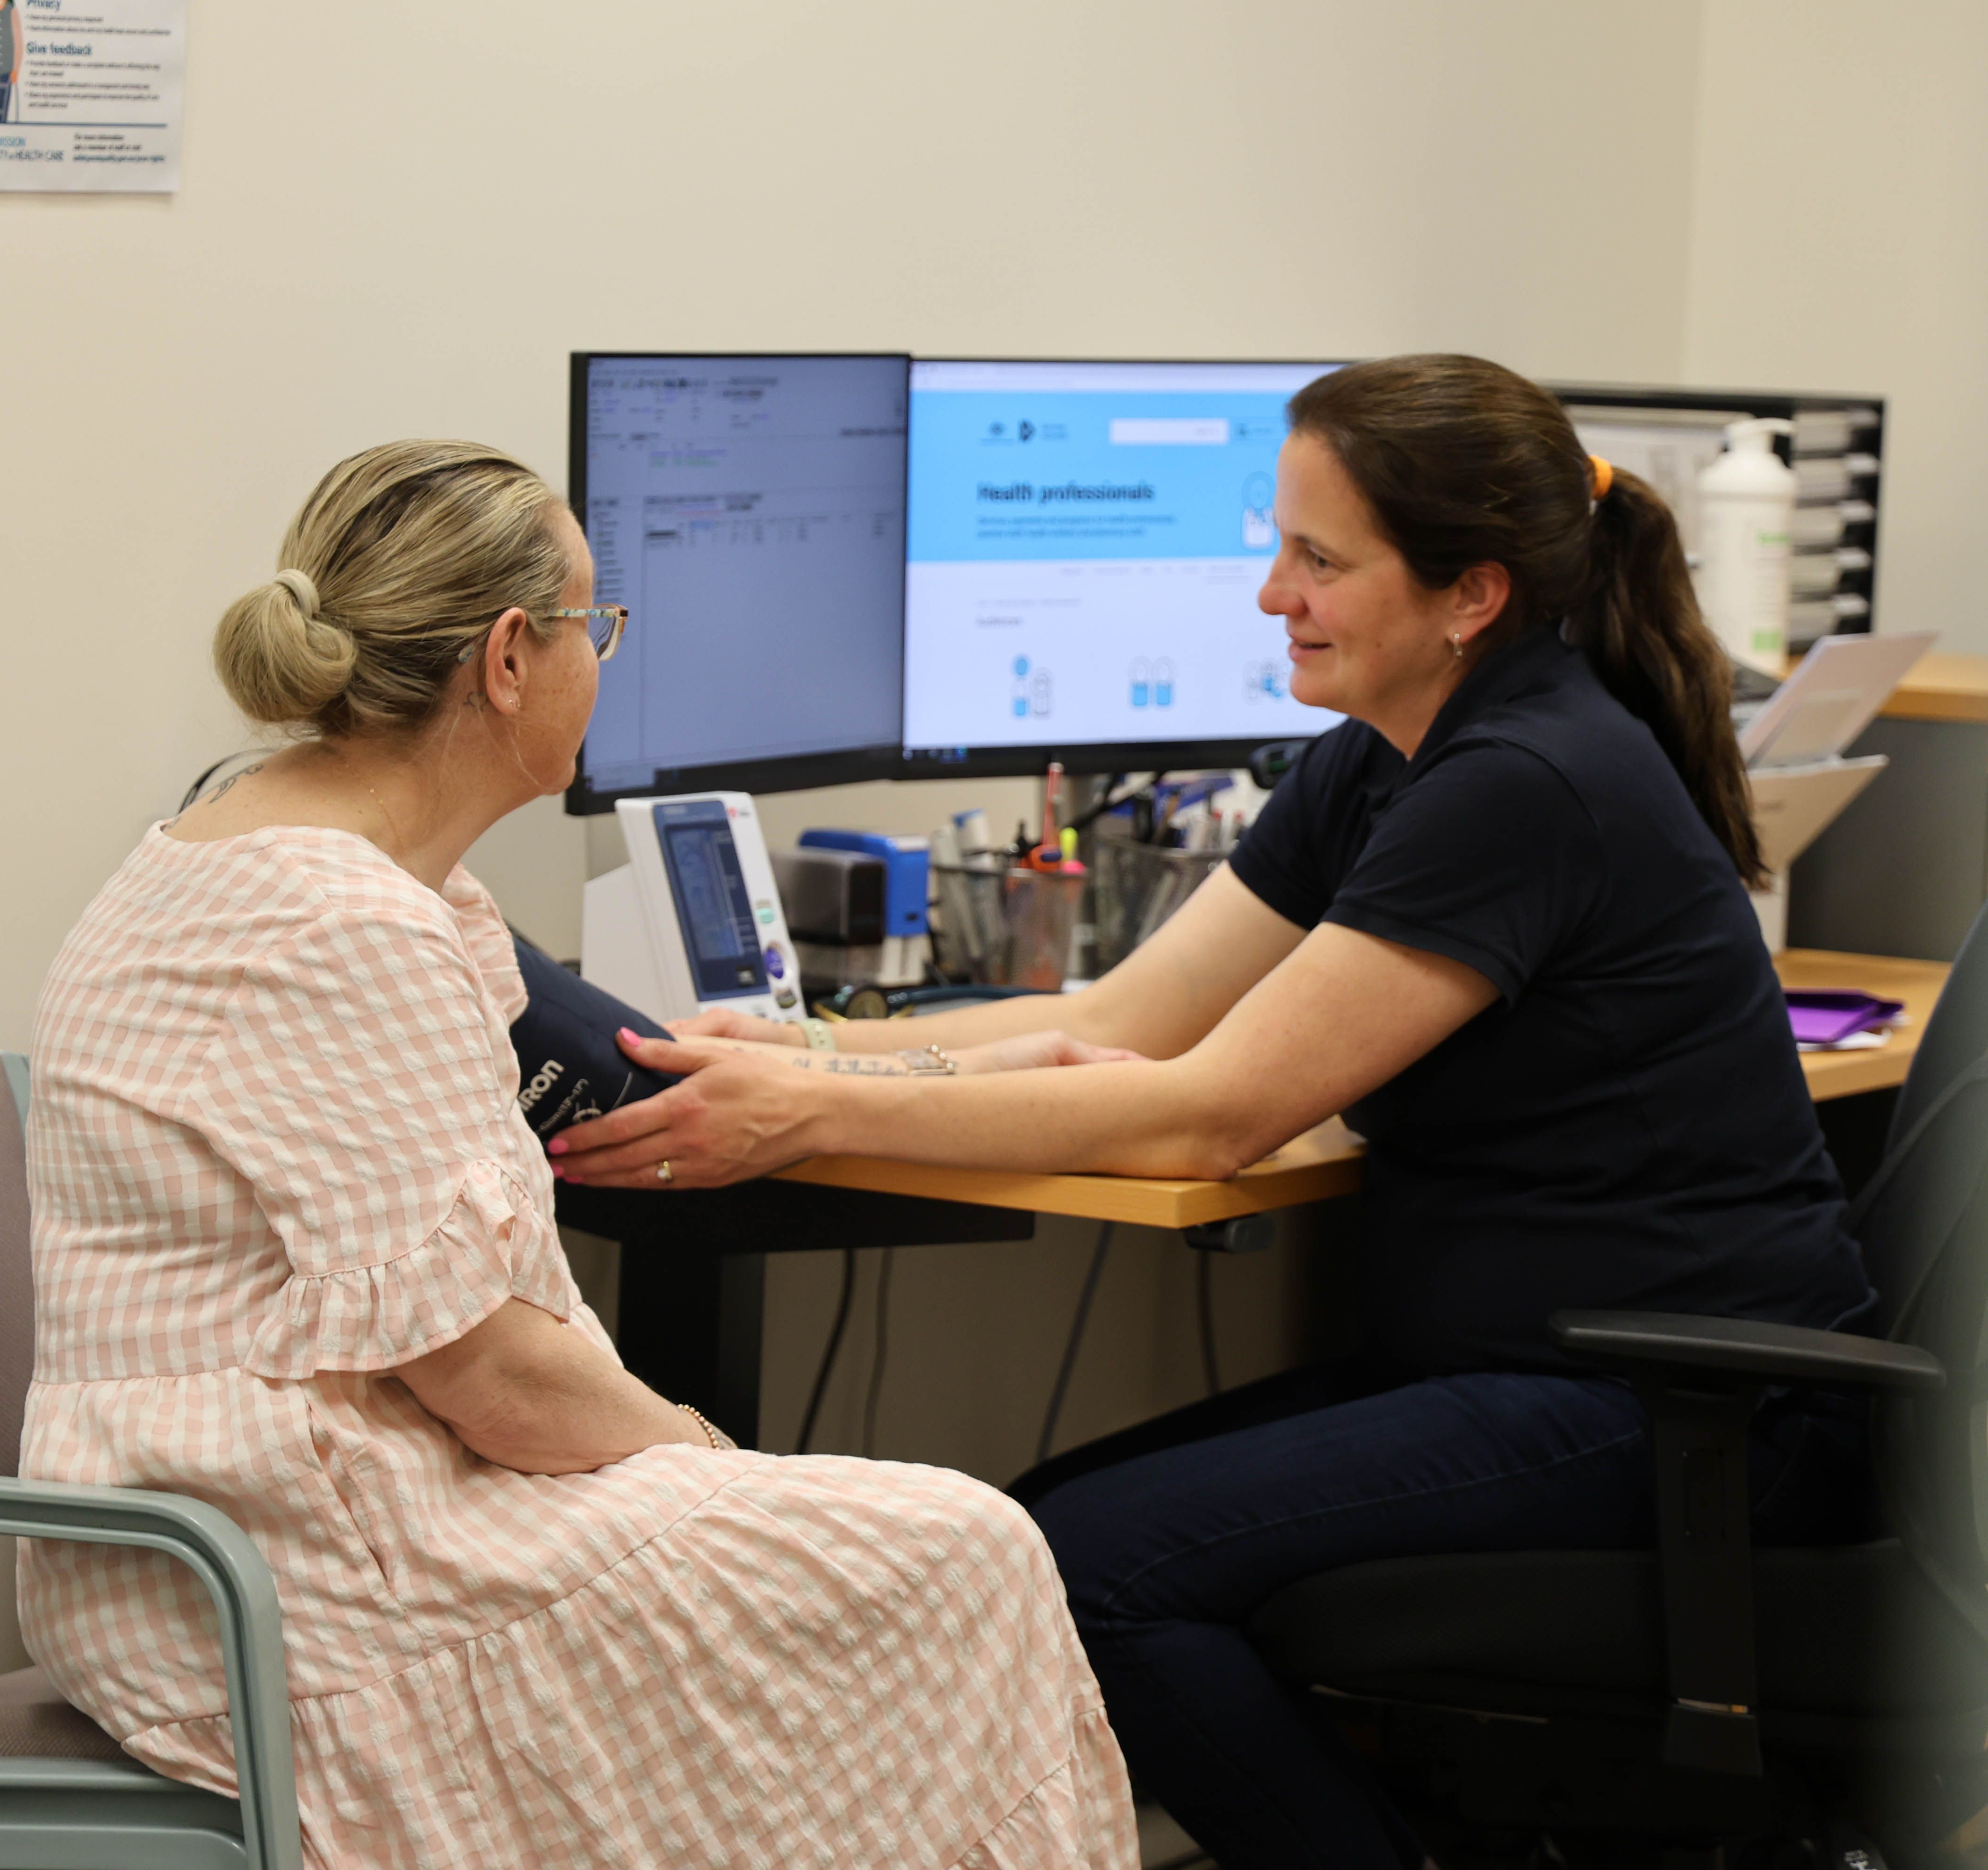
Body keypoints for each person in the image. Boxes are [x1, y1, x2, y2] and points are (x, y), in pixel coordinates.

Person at [550, 355, 1880, 1869]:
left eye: (1320, 560)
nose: (1271, 595)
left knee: (1080, 1569)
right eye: (1278, 546)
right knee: (1035, 1533)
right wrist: (815, 1059)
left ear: (1471, 596)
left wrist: (805, 1116)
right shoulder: (1386, 759)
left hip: (1691, 1412)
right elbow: (1128, 1024)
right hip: (1552, 1370)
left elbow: (1205, 1121)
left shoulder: (1524, 779)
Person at [18, 441, 1136, 1869]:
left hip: (280, 1513)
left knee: (909, 1565)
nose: (602, 662)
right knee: (962, 1553)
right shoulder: (344, 926)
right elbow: (500, 1384)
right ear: (507, 659)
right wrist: (716, 1464)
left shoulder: (303, 861)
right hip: (288, 1568)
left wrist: (969, 1065)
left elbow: (657, 1074)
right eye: (593, 626)